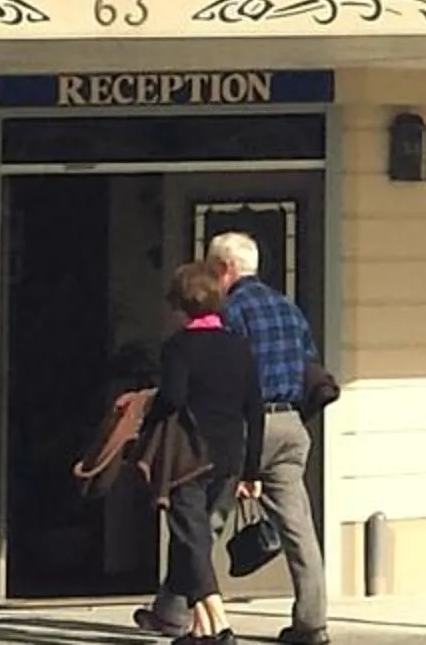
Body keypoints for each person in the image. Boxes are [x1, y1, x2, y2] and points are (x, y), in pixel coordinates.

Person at [211, 233, 329, 645]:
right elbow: (309, 363)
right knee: (299, 530)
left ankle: (174, 610)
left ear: (224, 269)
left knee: (203, 521)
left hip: (247, 425)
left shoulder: (229, 311)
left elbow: (226, 374)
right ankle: (312, 623)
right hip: (291, 424)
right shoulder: (289, 308)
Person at [139, 262, 260, 645]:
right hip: (228, 456)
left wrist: (147, 413)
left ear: (179, 305)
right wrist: (251, 470)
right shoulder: (239, 346)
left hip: (190, 455)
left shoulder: (179, 346)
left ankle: (221, 626)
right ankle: (198, 630)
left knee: (192, 539)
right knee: (195, 536)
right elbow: (254, 410)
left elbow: (172, 398)